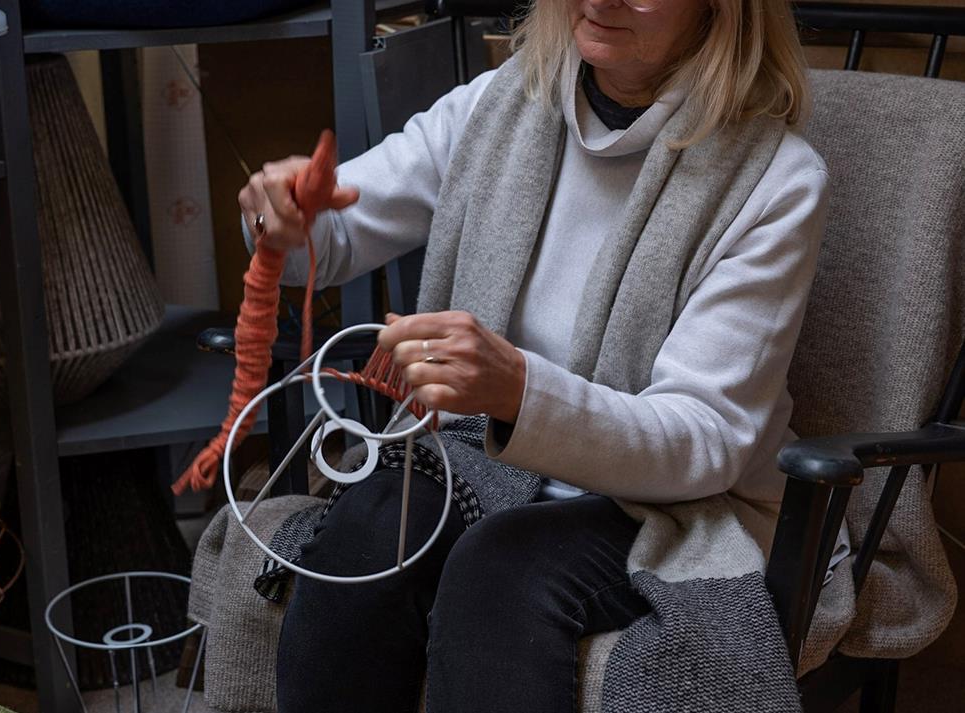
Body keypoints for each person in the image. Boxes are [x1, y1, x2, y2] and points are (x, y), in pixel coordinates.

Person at [237, 0, 830, 710]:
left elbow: (701, 440)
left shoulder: (777, 182)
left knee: (501, 570)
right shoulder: (500, 105)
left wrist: (519, 390)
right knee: (372, 522)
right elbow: (331, 236)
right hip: (489, 459)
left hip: (669, 503)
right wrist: (283, 215)